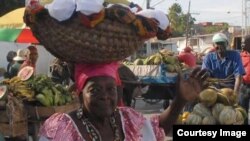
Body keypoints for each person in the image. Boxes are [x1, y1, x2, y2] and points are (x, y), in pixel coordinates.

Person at [38, 62, 208, 141]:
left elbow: (157, 128)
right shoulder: (62, 128)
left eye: (110, 89)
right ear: (79, 94)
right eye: (95, 90)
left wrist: (180, 100)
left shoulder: (126, 119)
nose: (105, 96)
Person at [240, 35, 250, 124]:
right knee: (243, 109)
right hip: (244, 86)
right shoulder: (241, 56)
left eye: (244, 43)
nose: (242, 45)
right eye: (242, 43)